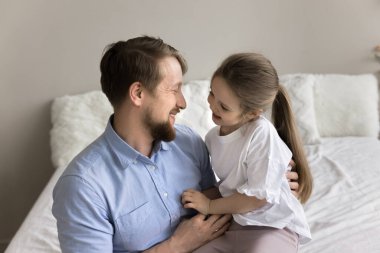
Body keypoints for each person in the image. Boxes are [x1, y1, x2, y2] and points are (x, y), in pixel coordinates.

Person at [52, 36, 300, 253]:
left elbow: (220, 199)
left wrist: (266, 184)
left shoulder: (188, 142)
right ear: (138, 94)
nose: (183, 102)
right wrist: (175, 247)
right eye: (174, 90)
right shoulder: (82, 187)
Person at [182, 53, 313, 253]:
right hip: (236, 222)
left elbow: (258, 198)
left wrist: (209, 205)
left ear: (252, 113)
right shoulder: (212, 138)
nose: (212, 105)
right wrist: (196, 198)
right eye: (211, 93)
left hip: (273, 227)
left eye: (224, 106)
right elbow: (231, 185)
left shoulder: (260, 132)